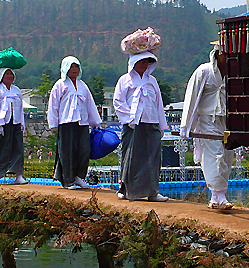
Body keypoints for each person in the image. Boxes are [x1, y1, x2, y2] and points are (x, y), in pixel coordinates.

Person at [180, 42, 235, 209]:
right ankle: (219, 195)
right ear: (217, 54)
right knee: (214, 155)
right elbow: (191, 97)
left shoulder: (234, 72)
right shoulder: (204, 71)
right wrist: (185, 126)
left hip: (228, 121)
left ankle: (216, 197)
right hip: (208, 120)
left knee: (227, 157)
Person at [113, 52, 170, 202]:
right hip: (132, 124)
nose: (145, 65)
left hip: (151, 122)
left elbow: (158, 103)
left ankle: (152, 192)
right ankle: (126, 189)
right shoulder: (125, 80)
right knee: (131, 157)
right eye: (142, 61)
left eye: (147, 62)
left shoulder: (152, 81)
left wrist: (161, 126)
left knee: (153, 158)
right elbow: (118, 101)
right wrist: (129, 118)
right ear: (134, 63)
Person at [47, 56, 103, 189]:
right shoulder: (60, 85)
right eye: (71, 67)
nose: (74, 69)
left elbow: (90, 104)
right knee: (67, 152)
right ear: (65, 68)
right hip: (66, 122)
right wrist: (53, 123)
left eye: (76, 67)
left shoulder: (83, 85)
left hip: (82, 122)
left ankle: (79, 176)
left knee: (84, 150)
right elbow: (53, 105)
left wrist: (95, 122)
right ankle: (68, 180)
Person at [0, 65, 29, 185]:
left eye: (11, 74)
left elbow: (20, 107)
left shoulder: (16, 90)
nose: (9, 76)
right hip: (2, 123)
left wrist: (22, 122)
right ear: (1, 76)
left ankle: (18, 175)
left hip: (15, 122)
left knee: (17, 148)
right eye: (7, 74)